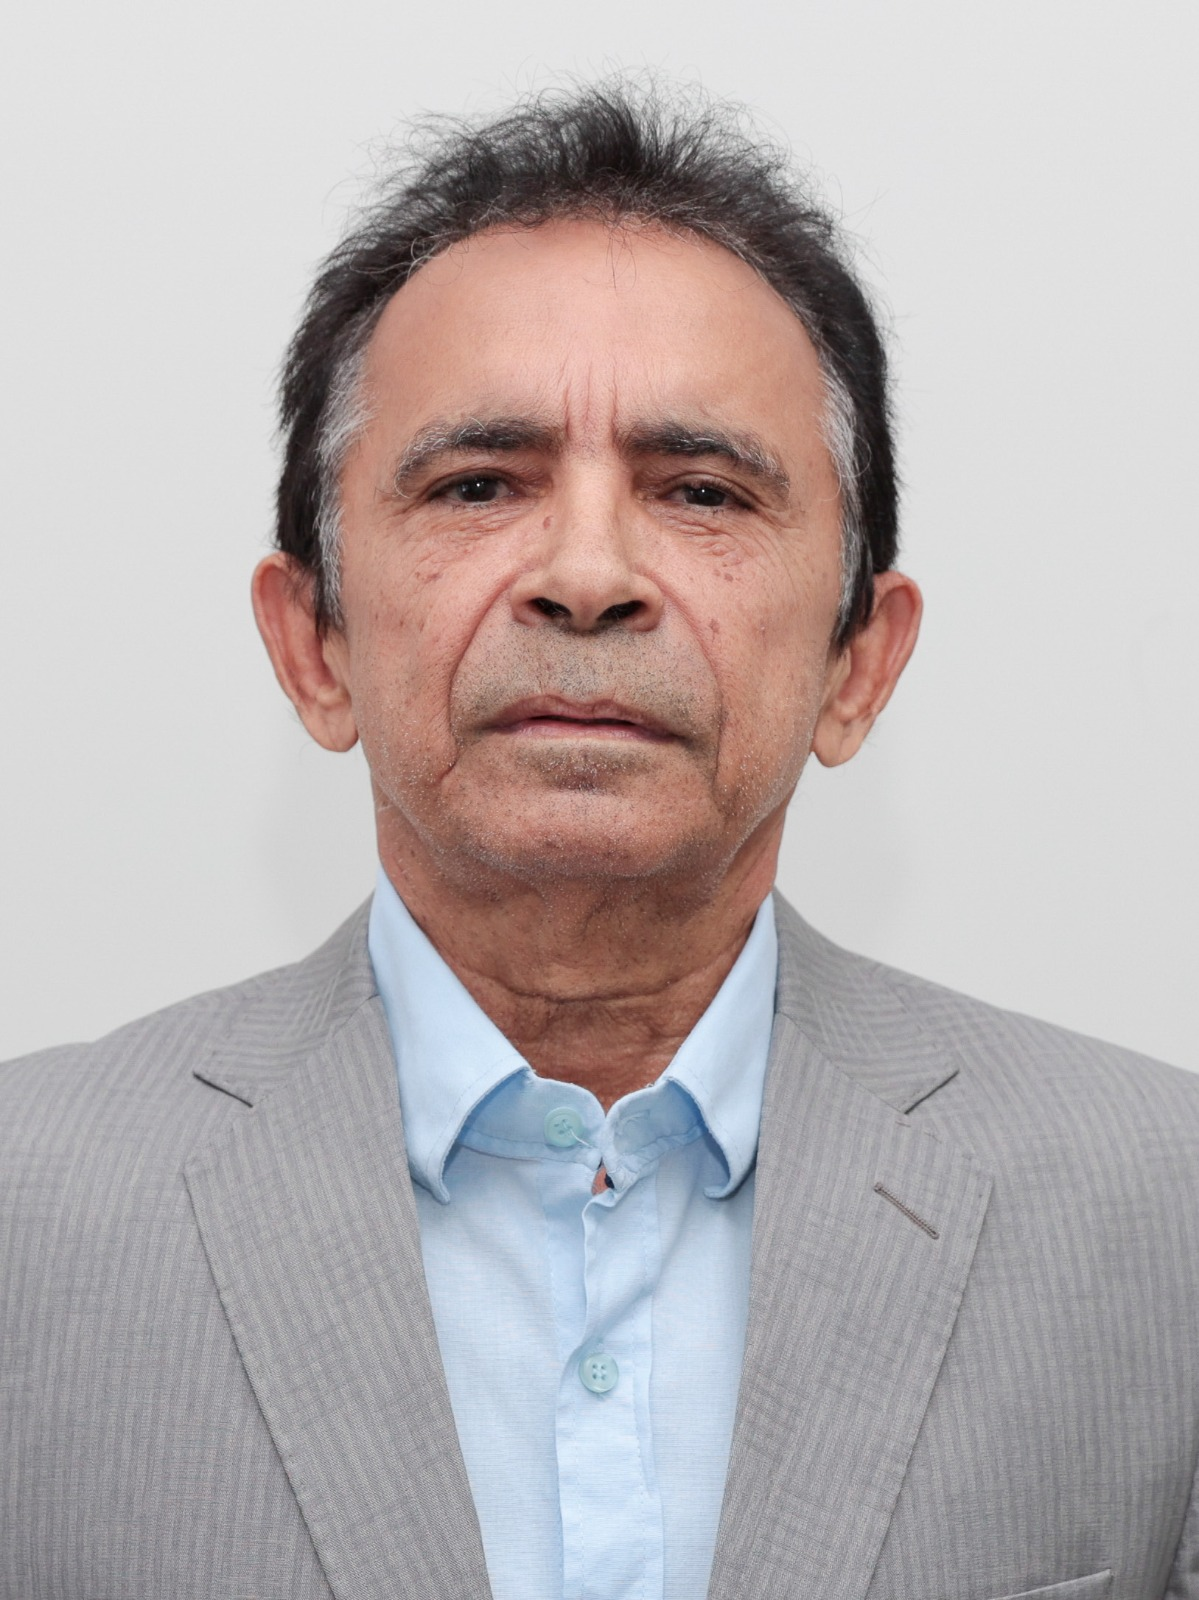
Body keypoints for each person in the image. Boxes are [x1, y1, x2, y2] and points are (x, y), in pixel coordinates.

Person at [2, 81, 1196, 1600]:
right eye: (477, 484)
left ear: (857, 664)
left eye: (699, 490)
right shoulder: (25, 1214)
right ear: (313, 644)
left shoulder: (1165, 1215)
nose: (584, 573)